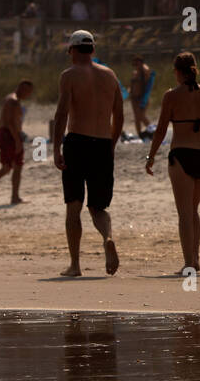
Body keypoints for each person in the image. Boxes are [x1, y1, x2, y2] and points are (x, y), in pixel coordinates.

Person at [145, 52, 200, 275]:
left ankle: (189, 262)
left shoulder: (171, 96)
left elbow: (161, 130)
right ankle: (195, 258)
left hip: (182, 155)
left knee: (185, 212)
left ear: (178, 72)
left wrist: (151, 156)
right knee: (193, 209)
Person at [53, 29, 123, 276]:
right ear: (92, 50)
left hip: (77, 142)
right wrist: (111, 145)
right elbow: (120, 116)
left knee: (74, 205)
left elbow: (62, 114)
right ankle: (108, 238)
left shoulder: (69, 76)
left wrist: (56, 148)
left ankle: (75, 265)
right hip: (102, 143)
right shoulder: (110, 75)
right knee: (98, 207)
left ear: (72, 50)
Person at [0, 80, 33, 205]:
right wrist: (17, 141)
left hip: (7, 134)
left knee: (11, 166)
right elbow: (9, 123)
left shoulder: (10, 99)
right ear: (20, 89)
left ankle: (12, 196)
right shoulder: (12, 101)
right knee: (12, 166)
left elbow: (5, 119)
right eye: (27, 91)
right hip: (9, 135)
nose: (28, 94)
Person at [128, 55, 152, 137]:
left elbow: (148, 80)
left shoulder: (145, 70)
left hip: (142, 98)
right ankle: (140, 134)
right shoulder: (134, 72)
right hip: (134, 98)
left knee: (141, 116)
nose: (135, 65)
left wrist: (142, 67)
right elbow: (132, 85)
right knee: (137, 118)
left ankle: (153, 131)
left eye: (137, 63)